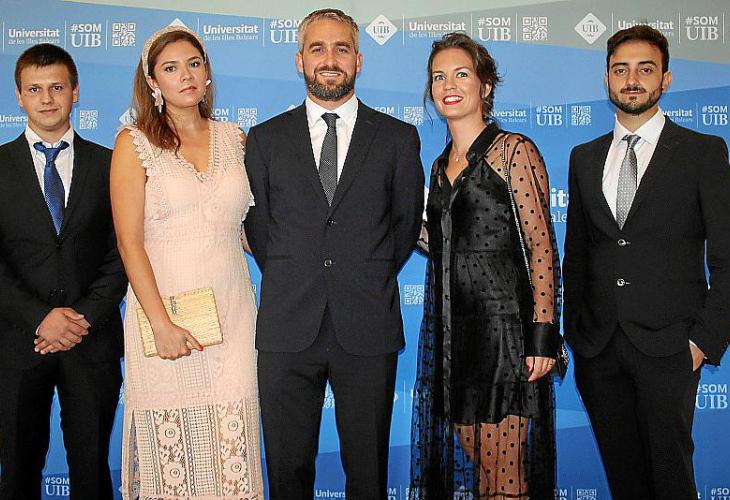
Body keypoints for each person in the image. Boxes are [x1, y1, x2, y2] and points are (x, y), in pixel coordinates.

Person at [244, 8, 424, 499]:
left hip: (366, 323)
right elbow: (260, 229)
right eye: (318, 49)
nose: (330, 59)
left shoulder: (396, 138)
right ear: (299, 60)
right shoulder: (265, 139)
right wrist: (298, 271)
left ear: (358, 60)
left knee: (367, 474)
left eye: (341, 48)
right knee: (287, 472)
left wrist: (362, 273)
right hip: (287, 326)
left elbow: (405, 226)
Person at [563, 25, 730, 499]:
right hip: (599, 349)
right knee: (625, 482)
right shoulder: (583, 157)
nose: (632, 80)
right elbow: (577, 254)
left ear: (666, 79)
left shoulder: (702, 152)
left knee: (672, 480)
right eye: (620, 70)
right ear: (607, 80)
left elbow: (726, 257)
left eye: (645, 69)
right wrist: (576, 333)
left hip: (671, 347)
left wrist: (703, 342)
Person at [111, 25, 263, 498]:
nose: (186, 76)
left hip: (234, 315)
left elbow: (247, 231)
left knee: (232, 449)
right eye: (171, 68)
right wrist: (161, 324)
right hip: (166, 315)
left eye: (194, 64)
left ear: (207, 72)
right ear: (152, 81)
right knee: (175, 460)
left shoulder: (235, 138)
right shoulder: (133, 143)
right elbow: (129, 242)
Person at [409, 33, 562, 500]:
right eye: (439, 77)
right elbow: (444, 245)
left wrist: (542, 336)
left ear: (486, 85)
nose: (448, 85)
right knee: (481, 470)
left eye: (461, 74)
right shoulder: (439, 167)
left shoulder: (513, 151)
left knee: (506, 474)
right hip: (455, 339)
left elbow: (541, 247)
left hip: (505, 338)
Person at [0, 43, 127, 499]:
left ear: (75, 91)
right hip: (17, 343)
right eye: (35, 89)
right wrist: (41, 318)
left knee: (92, 472)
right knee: (17, 473)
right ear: (19, 96)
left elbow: (123, 252)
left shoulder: (111, 164)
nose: (47, 98)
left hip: (91, 341)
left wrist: (80, 319)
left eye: (57, 87)